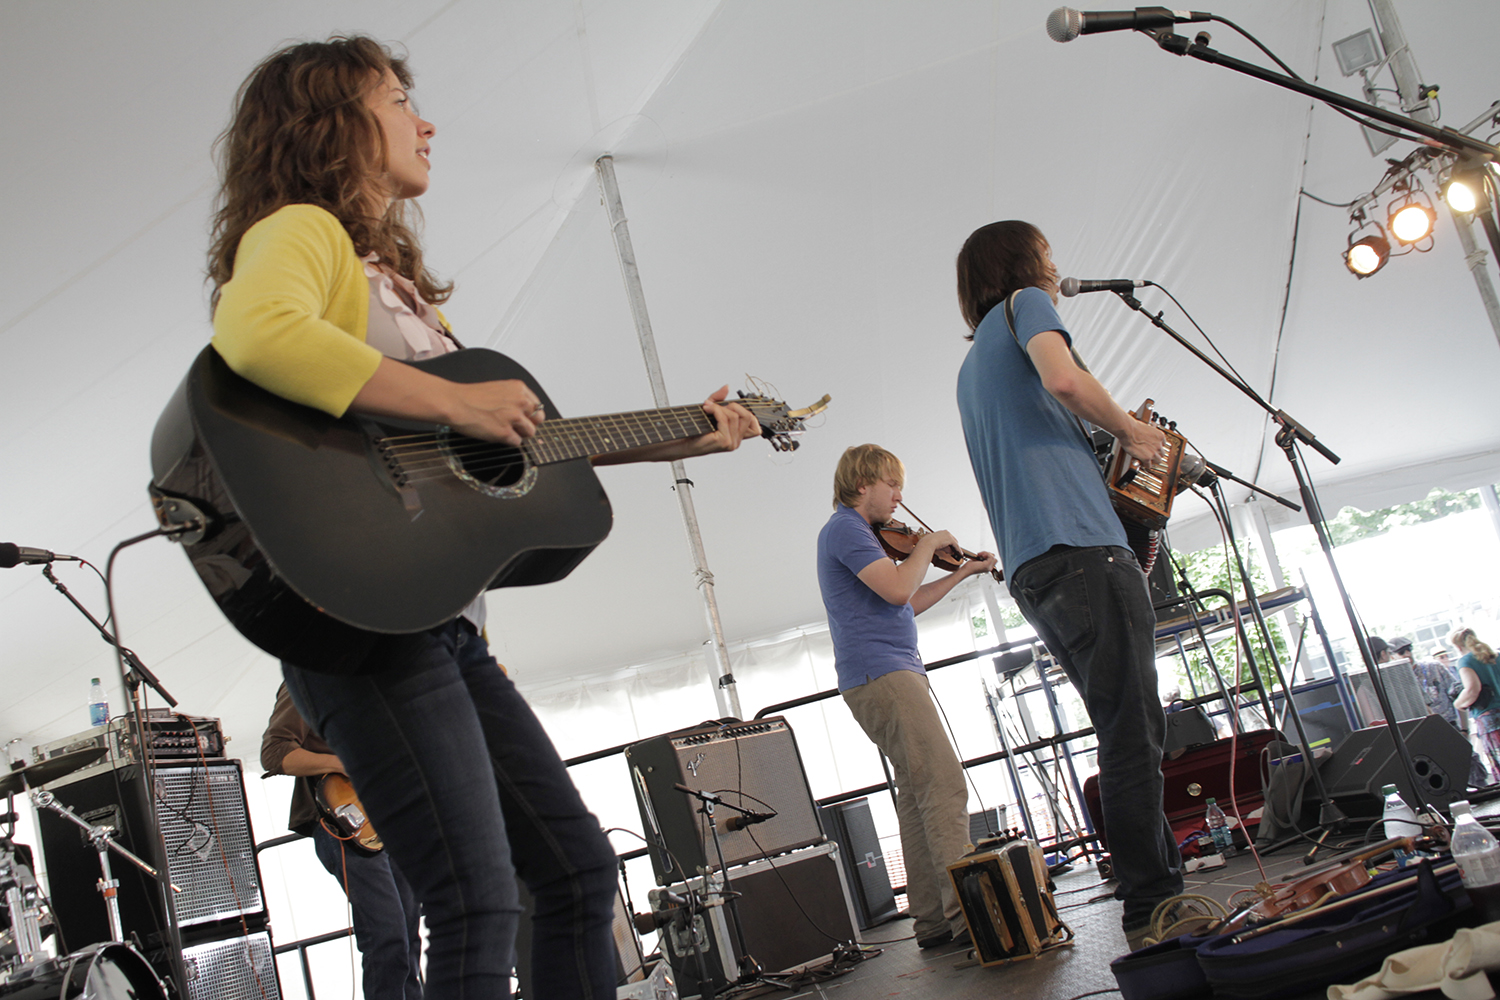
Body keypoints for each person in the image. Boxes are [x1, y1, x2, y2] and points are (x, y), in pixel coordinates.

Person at [208, 37, 760, 998]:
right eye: (396, 100)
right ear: (330, 123)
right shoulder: (301, 230)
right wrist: (458, 403)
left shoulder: (389, 284)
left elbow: (498, 455)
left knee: (579, 873)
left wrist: (684, 436)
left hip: (441, 626)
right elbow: (257, 333)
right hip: (368, 627)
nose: (426, 122)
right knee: (473, 902)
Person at [951, 221, 1183, 948]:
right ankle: (1153, 906)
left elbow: (1050, 424)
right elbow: (1065, 378)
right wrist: (1137, 435)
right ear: (1023, 265)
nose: (1056, 267)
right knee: (1132, 730)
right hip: (1082, 552)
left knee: (1124, 729)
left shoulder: (971, 367)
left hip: (1036, 568)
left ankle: (1156, 891)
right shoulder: (1026, 305)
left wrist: (1115, 442)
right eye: (1048, 254)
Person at [815, 444, 997, 950]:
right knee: (943, 783)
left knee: (918, 794)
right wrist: (930, 543)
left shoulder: (864, 537)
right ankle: (967, 919)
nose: (899, 497)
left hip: (883, 673)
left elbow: (907, 602)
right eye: (891, 485)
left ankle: (934, 922)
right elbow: (898, 589)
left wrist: (960, 571)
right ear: (861, 484)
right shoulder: (846, 528)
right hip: (884, 675)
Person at [262, 684, 422, 1000]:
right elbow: (275, 752)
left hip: (394, 821)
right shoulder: (308, 679)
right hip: (345, 822)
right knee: (387, 935)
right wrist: (341, 763)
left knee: (407, 937)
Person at [1390, 636, 1489, 788]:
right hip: (1424, 734)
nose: (1408, 654)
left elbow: (1457, 694)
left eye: (1409, 649)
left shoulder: (1434, 667)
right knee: (1442, 776)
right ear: (1392, 656)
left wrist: (1464, 729)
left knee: (1471, 764)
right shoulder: (1396, 680)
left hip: (1450, 726)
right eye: (1402, 652)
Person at [1453, 627, 1500, 779]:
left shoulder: (1465, 662)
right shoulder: (1496, 656)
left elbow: (1473, 689)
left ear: (1458, 647)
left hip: (1491, 720)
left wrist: (1458, 703)